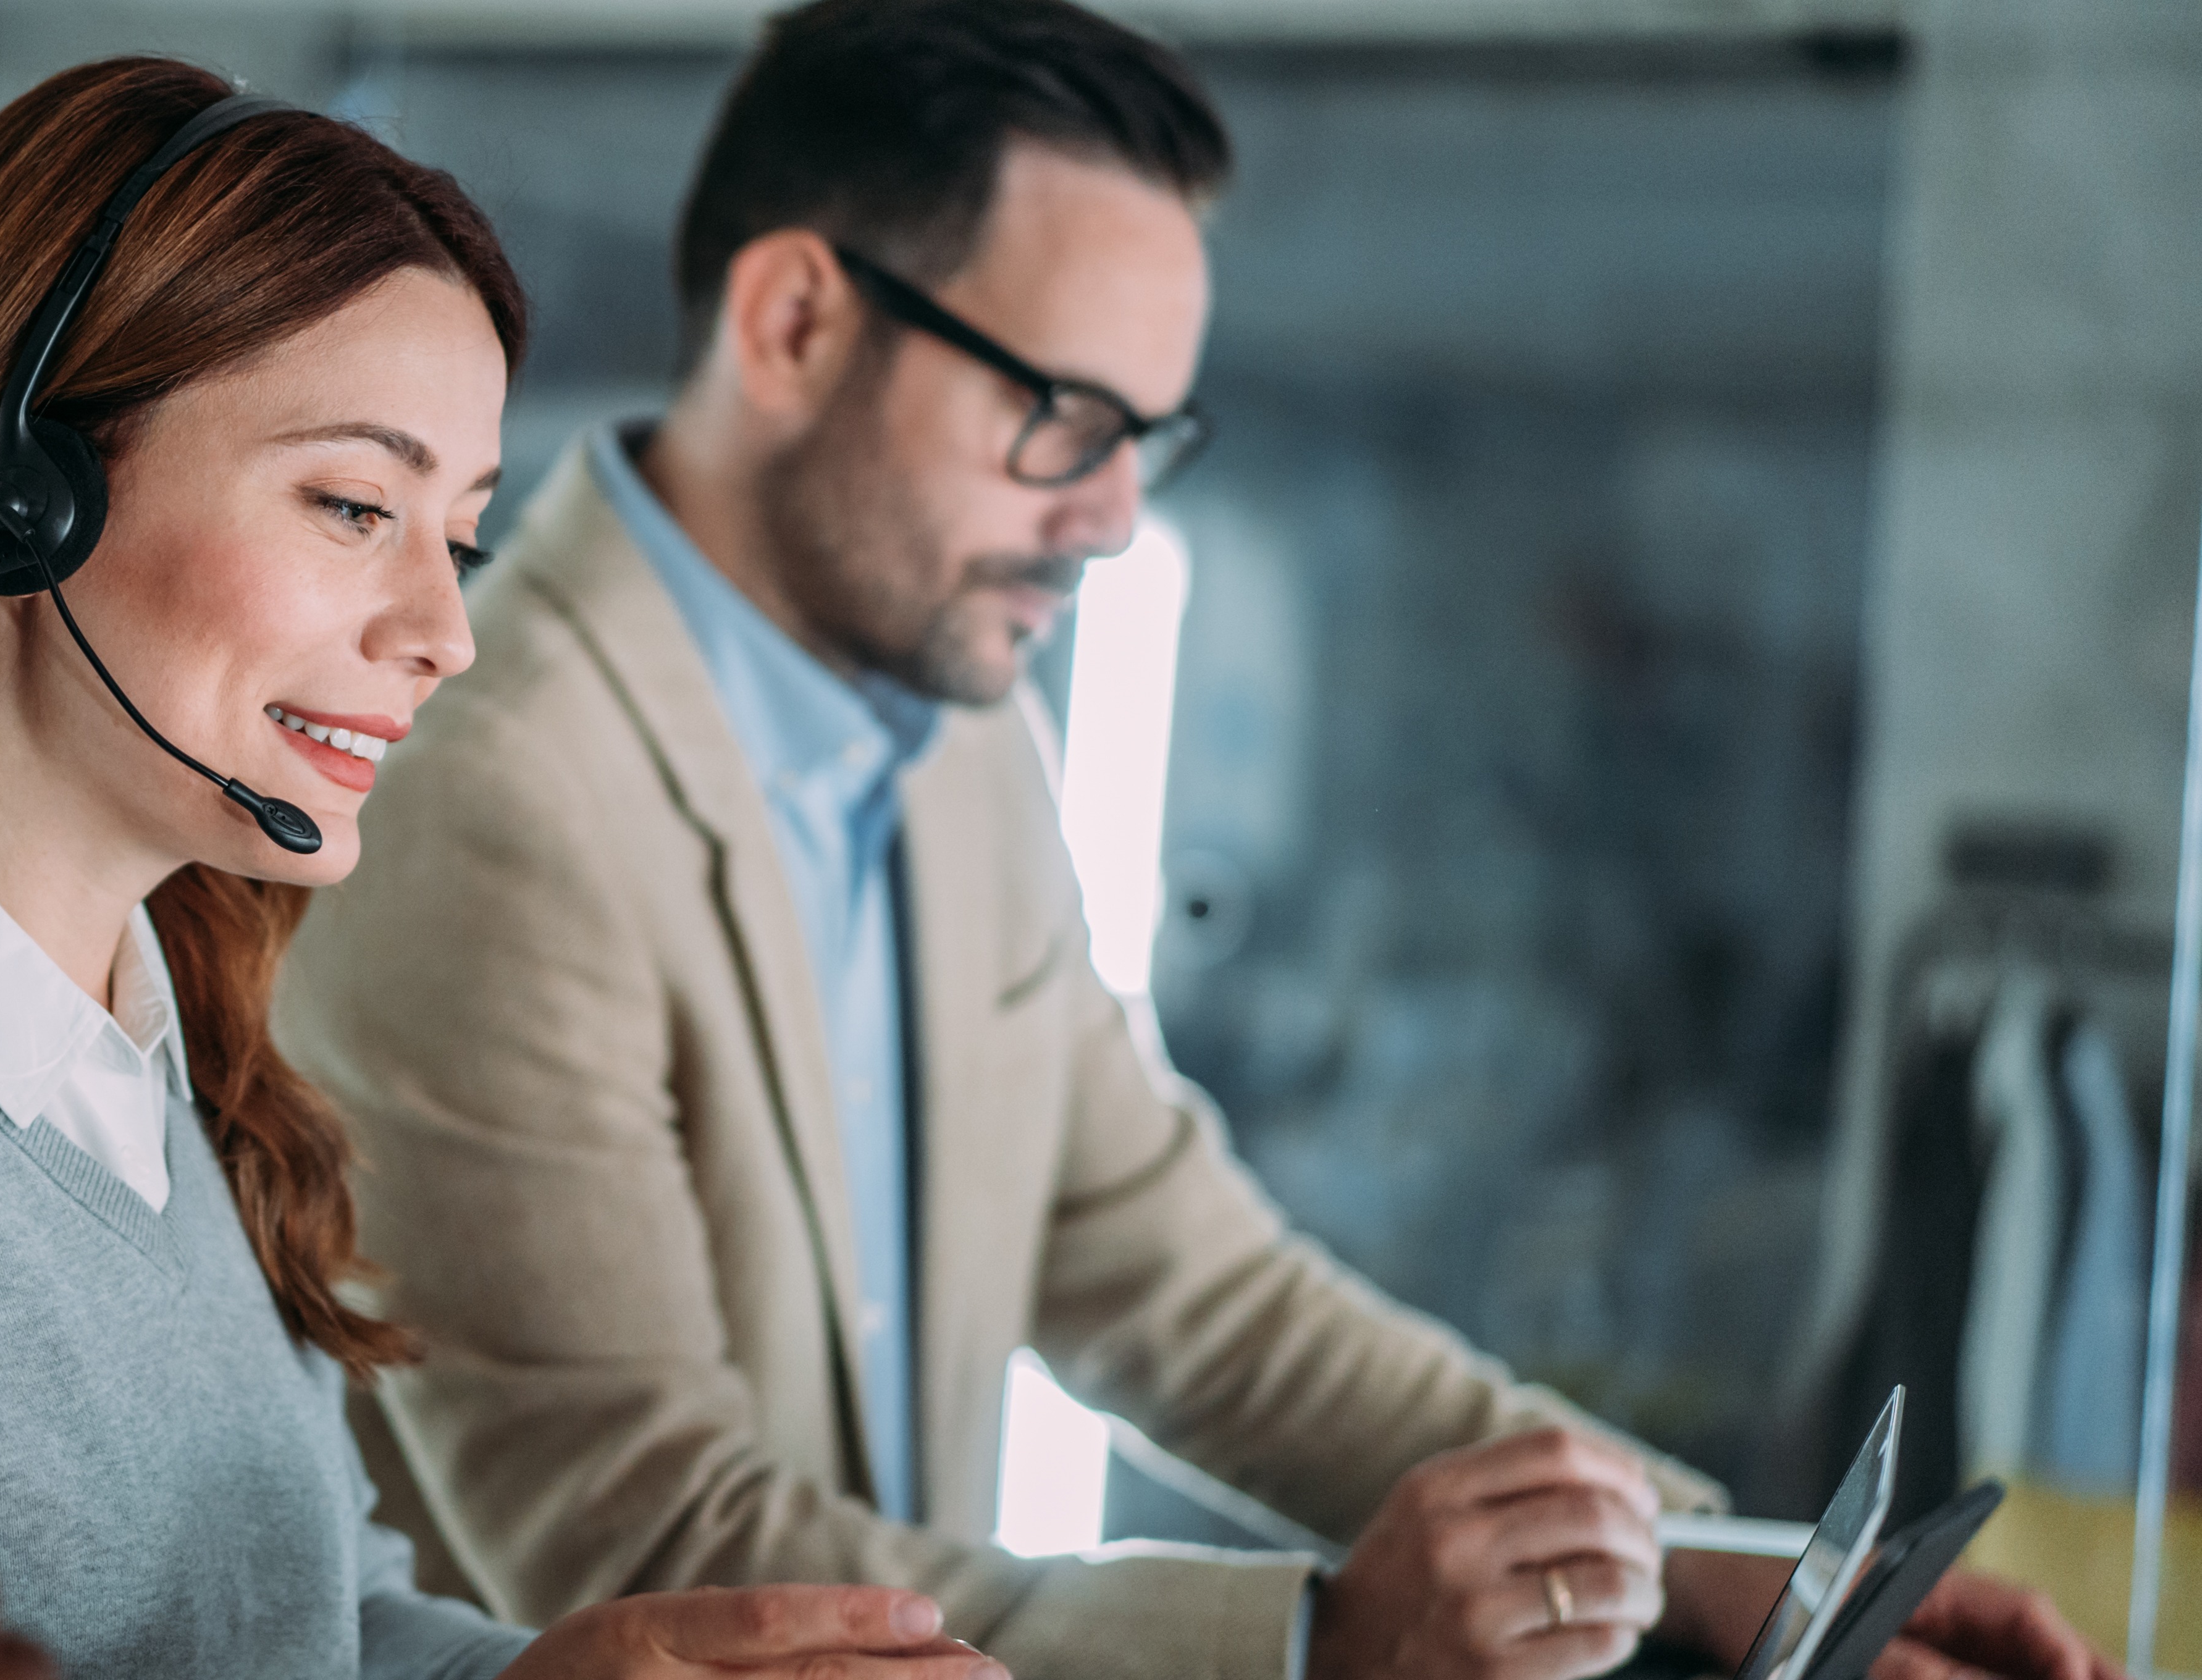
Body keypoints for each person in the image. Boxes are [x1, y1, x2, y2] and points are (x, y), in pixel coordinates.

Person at [272, 5, 2123, 1680]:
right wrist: (1324, 1641)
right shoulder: (489, 786)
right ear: (793, 324)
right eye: (1065, 420)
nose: (1107, 519)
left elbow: (1186, 1286)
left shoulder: (947, 730)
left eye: (1148, 438)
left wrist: (1720, 1566)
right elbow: (644, 1547)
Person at [0, 56, 1001, 1680]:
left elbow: (310, 1627)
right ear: (28, 492)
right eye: (357, 504)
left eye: (463, 536)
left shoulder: (169, 1051)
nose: (444, 635)